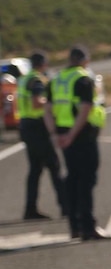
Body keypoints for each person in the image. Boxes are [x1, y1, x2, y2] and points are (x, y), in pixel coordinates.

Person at [43, 46, 111, 241]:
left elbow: (47, 110)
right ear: (85, 60)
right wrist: (73, 135)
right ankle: (88, 227)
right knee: (87, 180)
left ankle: (74, 226)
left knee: (72, 178)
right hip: (81, 135)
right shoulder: (83, 79)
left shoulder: (56, 80)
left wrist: (54, 134)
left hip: (63, 134)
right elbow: (85, 109)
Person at [18, 51, 66, 220]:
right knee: (54, 166)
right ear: (43, 64)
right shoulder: (37, 80)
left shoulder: (25, 78)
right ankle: (66, 207)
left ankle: (30, 209)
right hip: (37, 127)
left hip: (26, 125)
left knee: (35, 170)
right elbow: (37, 102)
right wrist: (51, 103)